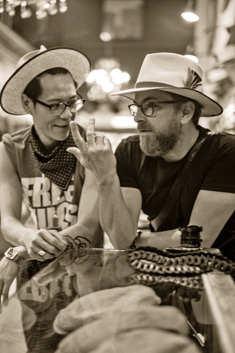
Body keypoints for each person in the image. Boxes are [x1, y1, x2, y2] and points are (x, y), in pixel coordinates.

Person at [68, 52, 235, 261]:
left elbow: (199, 239)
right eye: (136, 106)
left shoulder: (225, 151)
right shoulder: (130, 151)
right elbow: (121, 240)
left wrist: (137, 240)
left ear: (185, 112)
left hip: (221, 281)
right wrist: (105, 177)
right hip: (163, 272)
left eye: (149, 106)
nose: (137, 116)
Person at [0, 46, 103, 350]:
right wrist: (25, 239)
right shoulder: (10, 148)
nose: (67, 114)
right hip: (36, 282)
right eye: (55, 105)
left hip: (86, 279)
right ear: (28, 103)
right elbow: (6, 218)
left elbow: (86, 227)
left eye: (72, 102)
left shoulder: (92, 148)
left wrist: (21, 251)